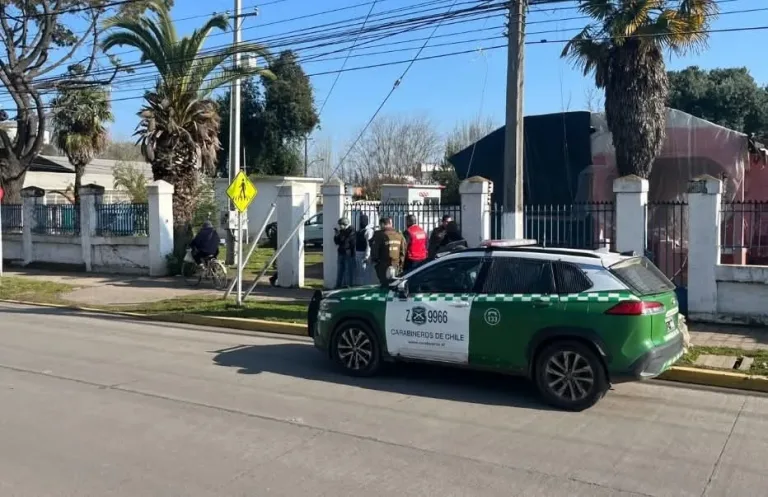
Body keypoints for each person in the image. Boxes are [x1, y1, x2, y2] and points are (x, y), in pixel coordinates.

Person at [371, 217, 406, 285]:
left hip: (383, 264)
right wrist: (401, 265)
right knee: (395, 284)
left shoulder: (379, 235)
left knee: (384, 284)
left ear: (382, 224)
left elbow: (374, 250)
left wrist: (375, 262)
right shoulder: (399, 234)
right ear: (390, 223)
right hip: (396, 264)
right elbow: (403, 251)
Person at [333, 217, 356, 288]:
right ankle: (338, 285)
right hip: (341, 252)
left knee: (348, 271)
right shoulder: (341, 231)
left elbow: (347, 242)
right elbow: (337, 242)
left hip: (348, 253)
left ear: (345, 224)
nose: (340, 226)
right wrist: (336, 236)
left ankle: (348, 285)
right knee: (340, 270)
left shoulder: (351, 230)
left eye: (341, 224)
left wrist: (340, 236)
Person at [354, 213, 375, 285]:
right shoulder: (360, 231)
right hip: (358, 253)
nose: (361, 222)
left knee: (365, 272)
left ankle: (366, 286)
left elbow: (369, 245)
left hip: (364, 254)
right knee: (360, 272)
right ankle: (361, 286)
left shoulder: (368, 231)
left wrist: (367, 256)